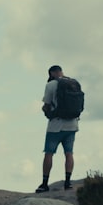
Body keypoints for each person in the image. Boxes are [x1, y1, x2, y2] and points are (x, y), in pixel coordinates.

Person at [36, 65, 78, 193]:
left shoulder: (51, 85)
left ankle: (44, 183)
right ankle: (68, 183)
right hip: (72, 125)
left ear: (53, 73)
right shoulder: (74, 83)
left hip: (55, 126)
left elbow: (47, 104)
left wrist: (45, 110)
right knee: (69, 153)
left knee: (49, 153)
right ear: (61, 71)